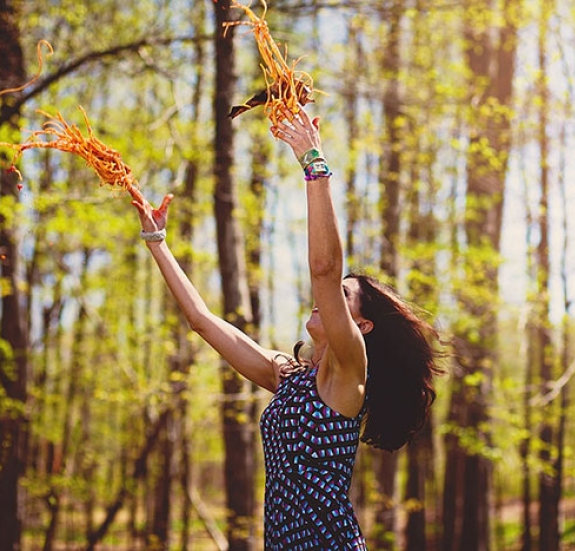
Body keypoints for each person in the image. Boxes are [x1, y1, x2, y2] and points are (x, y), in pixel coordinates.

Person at [129, 107, 441, 550]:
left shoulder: (349, 374)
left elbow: (325, 268)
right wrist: (157, 242)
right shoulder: (290, 379)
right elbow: (200, 321)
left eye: (343, 296)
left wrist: (314, 163)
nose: (326, 298)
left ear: (363, 325)